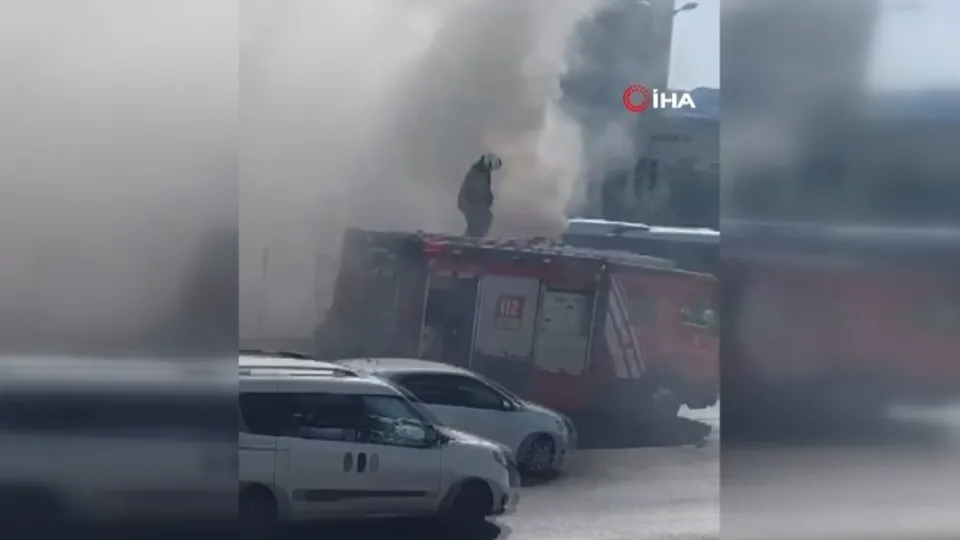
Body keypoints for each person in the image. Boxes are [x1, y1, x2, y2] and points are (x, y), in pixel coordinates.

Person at [457, 153, 502, 237]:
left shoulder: (484, 172)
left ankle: (473, 237)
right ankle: (470, 238)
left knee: (484, 220)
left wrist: (489, 198)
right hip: (469, 203)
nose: (491, 170)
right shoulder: (477, 172)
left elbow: (485, 188)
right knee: (479, 222)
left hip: (474, 204)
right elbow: (475, 189)